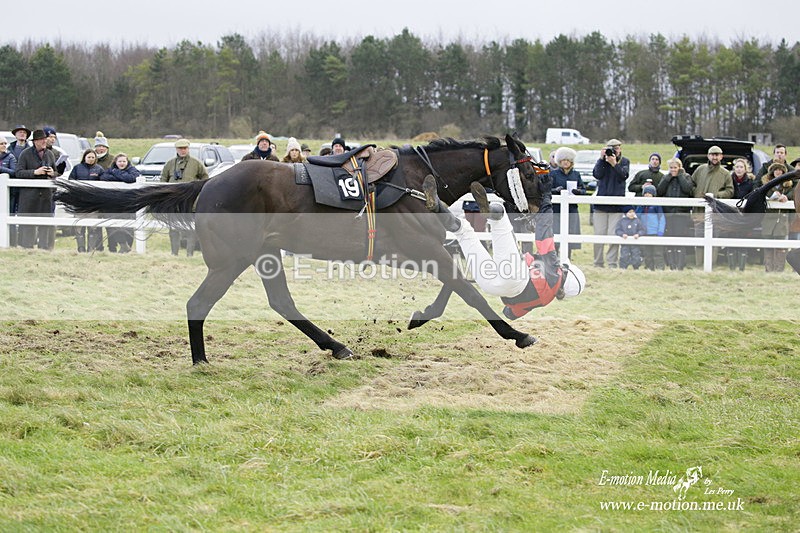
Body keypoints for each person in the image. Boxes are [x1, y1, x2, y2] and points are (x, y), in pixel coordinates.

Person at [422, 176, 585, 319]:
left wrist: (546, 199)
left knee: (499, 215)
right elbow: (509, 314)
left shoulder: (555, 273)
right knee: (463, 232)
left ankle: (490, 212)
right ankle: (437, 206)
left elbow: (544, 235)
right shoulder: (544, 301)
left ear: (566, 272)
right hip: (492, 287)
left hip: (516, 277)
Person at [160, 138, 209, 256]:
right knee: (173, 228)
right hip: (174, 202)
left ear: (188, 149)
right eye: (180, 148)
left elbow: (205, 179)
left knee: (191, 228)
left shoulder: (196, 163)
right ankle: (174, 252)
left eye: (185, 148)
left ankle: (189, 253)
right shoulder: (170, 164)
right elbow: (163, 180)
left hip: (190, 201)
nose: (182, 151)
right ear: (176, 149)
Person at [15, 129, 60, 249]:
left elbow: (56, 172)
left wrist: (52, 173)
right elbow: (18, 172)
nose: (44, 141)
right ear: (35, 141)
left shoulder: (49, 154)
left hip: (46, 195)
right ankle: (27, 248)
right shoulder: (25, 154)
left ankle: (44, 249)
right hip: (30, 195)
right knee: (28, 224)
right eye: (41, 140)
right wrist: (35, 172)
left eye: (45, 139)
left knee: (45, 223)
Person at [691, 145, 733, 267]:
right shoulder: (700, 169)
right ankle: (699, 264)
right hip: (699, 212)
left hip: (716, 213)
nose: (714, 157)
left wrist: (716, 195)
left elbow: (730, 191)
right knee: (699, 238)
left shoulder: (725, 173)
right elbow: (691, 184)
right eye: (712, 154)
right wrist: (697, 193)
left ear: (721, 156)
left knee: (714, 239)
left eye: (717, 155)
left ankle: (711, 264)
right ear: (708, 156)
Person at [592, 138, 630, 268]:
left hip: (617, 205)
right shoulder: (602, 161)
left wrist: (614, 164)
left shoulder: (624, 161)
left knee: (614, 235)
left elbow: (623, 176)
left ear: (620, 149)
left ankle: (612, 262)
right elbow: (597, 174)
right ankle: (598, 262)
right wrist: (601, 159)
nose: (614, 151)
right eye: (611, 148)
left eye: (617, 148)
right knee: (599, 234)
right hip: (601, 205)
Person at [657, 157, 693, 270]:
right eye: (671, 168)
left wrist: (680, 175)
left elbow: (687, 189)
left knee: (680, 238)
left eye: (675, 167)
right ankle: (671, 263)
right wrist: (668, 177)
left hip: (681, 213)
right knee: (670, 238)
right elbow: (660, 191)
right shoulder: (666, 177)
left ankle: (680, 263)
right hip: (668, 213)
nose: (673, 170)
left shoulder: (686, 177)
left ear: (680, 167)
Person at [549, 146, 586, 259]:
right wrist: (555, 190)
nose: (565, 162)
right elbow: (546, 190)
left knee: (570, 232)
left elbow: (584, 190)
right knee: (556, 233)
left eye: (568, 160)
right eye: (563, 160)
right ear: (559, 161)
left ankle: (567, 258)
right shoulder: (553, 174)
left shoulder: (576, 174)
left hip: (571, 209)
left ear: (571, 162)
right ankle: (554, 258)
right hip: (556, 209)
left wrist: (578, 191)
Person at [101, 152, 141, 253]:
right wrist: (120, 176)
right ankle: (123, 245)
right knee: (113, 224)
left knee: (128, 225)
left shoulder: (132, 170)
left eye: (124, 161)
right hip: (113, 202)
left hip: (128, 202)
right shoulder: (110, 170)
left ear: (127, 162)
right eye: (120, 161)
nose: (122, 163)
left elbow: (131, 178)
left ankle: (127, 247)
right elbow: (104, 177)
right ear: (115, 162)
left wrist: (116, 173)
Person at [68, 149, 106, 252]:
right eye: (89, 157)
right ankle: (80, 248)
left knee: (92, 227)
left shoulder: (99, 169)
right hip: (80, 202)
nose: (91, 159)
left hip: (93, 203)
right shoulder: (77, 168)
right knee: (79, 226)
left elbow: (104, 184)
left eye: (93, 157)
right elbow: (71, 182)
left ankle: (91, 248)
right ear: (84, 157)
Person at [725, 158, 757, 270]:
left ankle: (741, 266)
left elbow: (752, 196)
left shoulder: (750, 182)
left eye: (741, 167)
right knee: (731, 238)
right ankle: (732, 266)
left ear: (745, 169)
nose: (739, 169)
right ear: (734, 168)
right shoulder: (728, 180)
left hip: (744, 215)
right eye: (737, 167)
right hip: (731, 215)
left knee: (742, 238)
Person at [760, 162, 791, 272]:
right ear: (772, 172)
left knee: (781, 246)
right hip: (768, 219)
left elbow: (792, 195)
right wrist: (773, 196)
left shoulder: (788, 186)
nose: (778, 172)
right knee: (768, 245)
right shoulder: (765, 184)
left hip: (782, 219)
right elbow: (762, 194)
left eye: (780, 170)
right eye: (776, 170)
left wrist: (785, 197)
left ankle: (779, 269)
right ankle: (768, 269)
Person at [7, 125, 31, 247]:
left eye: (24, 132)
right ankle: (11, 243)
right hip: (10, 189)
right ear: (15, 135)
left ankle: (23, 243)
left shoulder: (31, 151)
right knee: (9, 214)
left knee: (24, 216)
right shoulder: (8, 149)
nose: (22, 134)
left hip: (25, 189)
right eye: (20, 132)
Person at [635, 184, 666, 270]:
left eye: (650, 193)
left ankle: (660, 268)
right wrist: (640, 208)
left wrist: (660, 231)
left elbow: (662, 218)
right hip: (645, 233)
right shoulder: (641, 206)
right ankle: (649, 267)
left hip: (655, 233)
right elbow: (636, 217)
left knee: (658, 252)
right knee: (647, 252)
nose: (647, 195)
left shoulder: (656, 205)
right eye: (645, 193)